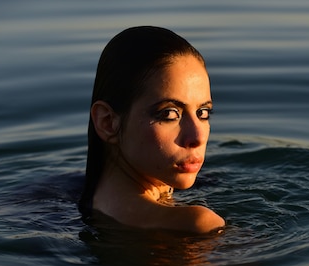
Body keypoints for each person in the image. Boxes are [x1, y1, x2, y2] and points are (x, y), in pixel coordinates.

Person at [78, 26, 225, 234]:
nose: (197, 137)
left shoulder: (71, 196)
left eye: (203, 113)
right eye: (169, 114)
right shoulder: (198, 224)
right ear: (107, 122)